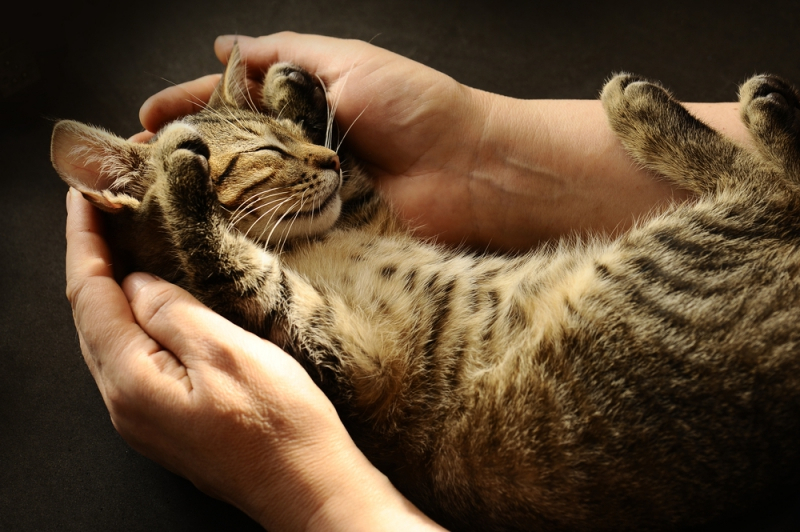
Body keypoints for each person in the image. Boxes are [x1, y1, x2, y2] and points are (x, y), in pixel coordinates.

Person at [65, 32, 753, 531]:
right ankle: (764, 196)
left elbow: (356, 241)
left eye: (307, 143)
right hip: (563, 392)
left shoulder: (298, 253)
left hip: (565, 371)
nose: (322, 158)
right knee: (721, 253)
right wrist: (193, 227)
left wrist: (305, 492)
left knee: (720, 254)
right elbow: (305, 307)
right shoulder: (261, 298)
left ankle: (764, 197)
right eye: (275, 151)